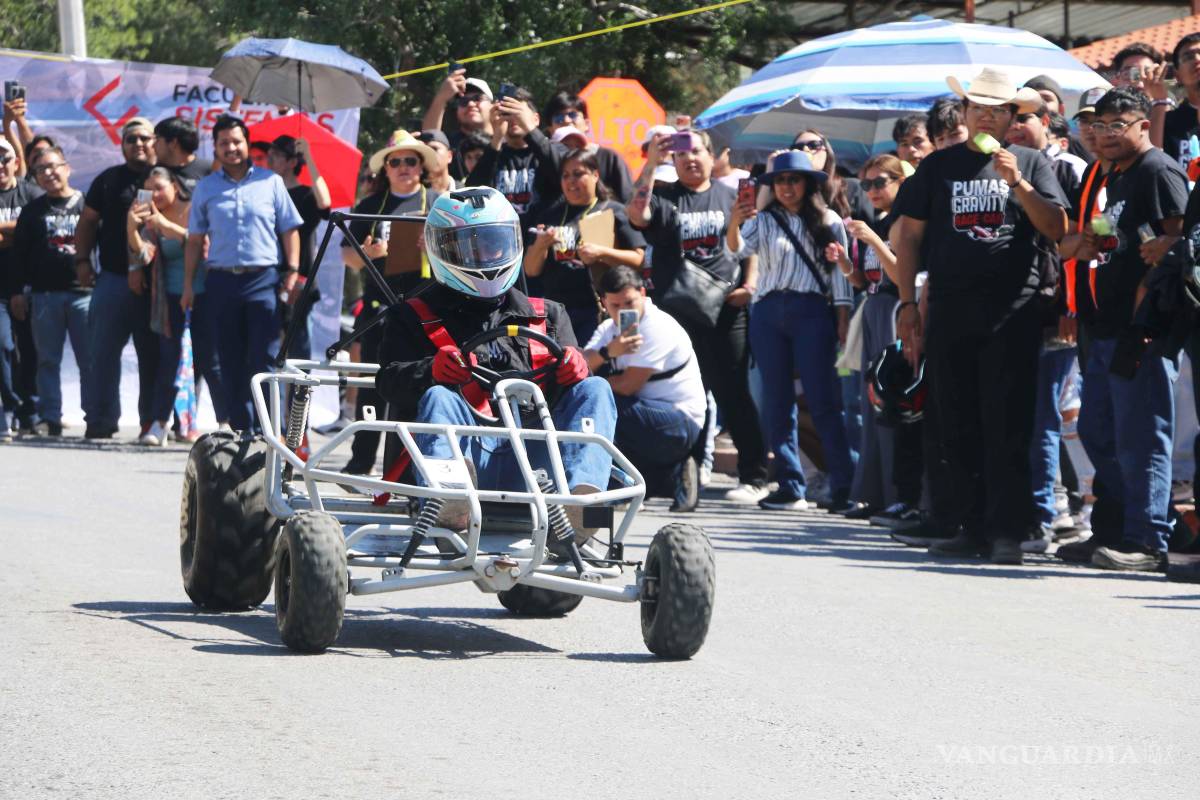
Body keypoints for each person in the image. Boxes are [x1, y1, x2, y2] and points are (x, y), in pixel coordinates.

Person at [375, 187, 615, 551]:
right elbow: (387, 383)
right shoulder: (411, 315)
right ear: (442, 249)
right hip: (465, 454)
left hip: (540, 467)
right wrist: (430, 370)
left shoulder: (548, 315)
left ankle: (583, 505)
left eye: (493, 244)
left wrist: (576, 368)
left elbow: (580, 397)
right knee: (439, 396)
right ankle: (450, 503)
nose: (484, 256)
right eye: (470, 247)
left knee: (596, 388)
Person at [892, 68, 1068, 566]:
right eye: (979, 108)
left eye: (998, 110)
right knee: (956, 421)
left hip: (1012, 313)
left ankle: (1008, 531)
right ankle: (968, 527)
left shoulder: (1031, 161)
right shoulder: (938, 166)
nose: (987, 117)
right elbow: (910, 238)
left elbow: (1057, 228)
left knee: (1009, 422)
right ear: (966, 113)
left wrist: (1019, 184)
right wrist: (908, 303)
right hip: (950, 310)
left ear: (1013, 117)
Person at [1060, 89, 1188, 573]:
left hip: (1143, 326)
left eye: (1119, 124)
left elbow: (1183, 235)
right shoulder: (1110, 174)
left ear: (1142, 126)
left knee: (1142, 436)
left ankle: (1147, 540)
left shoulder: (1157, 170)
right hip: (1104, 323)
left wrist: (1167, 250)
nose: (1108, 134)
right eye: (1101, 125)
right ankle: (1113, 529)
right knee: (1098, 431)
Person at [628, 128, 770, 505]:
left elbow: (750, 244)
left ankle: (754, 475)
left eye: (697, 152)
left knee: (733, 392)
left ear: (712, 156)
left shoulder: (730, 195)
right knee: (685, 394)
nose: (690, 159)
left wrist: (750, 283)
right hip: (678, 313)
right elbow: (637, 215)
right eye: (681, 154)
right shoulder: (664, 196)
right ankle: (684, 477)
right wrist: (650, 165)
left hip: (726, 309)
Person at [727, 150, 855, 511]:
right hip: (768, 310)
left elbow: (840, 275)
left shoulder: (829, 219)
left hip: (811, 309)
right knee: (777, 402)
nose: (786, 187)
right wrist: (735, 221)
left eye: (793, 180)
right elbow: (736, 250)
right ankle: (790, 484)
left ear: (808, 183)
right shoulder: (764, 220)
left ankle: (843, 485)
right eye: (780, 181)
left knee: (823, 400)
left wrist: (843, 316)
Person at [185, 114, 303, 432]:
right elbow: (194, 241)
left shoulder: (271, 182)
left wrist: (292, 270)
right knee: (229, 357)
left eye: (236, 141)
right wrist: (188, 285)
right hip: (221, 281)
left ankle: (269, 432)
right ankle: (241, 431)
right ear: (215, 147)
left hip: (263, 280)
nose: (231, 148)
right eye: (224, 143)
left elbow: (290, 229)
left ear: (247, 144)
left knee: (264, 357)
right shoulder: (206, 188)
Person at [339, 129, 442, 475]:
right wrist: (367, 254)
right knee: (371, 385)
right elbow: (347, 257)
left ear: (421, 166)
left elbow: (458, 255)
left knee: (416, 387)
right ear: (385, 168)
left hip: (424, 310)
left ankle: (405, 469)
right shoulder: (370, 206)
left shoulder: (438, 203)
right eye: (395, 162)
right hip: (378, 310)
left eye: (410, 161)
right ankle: (361, 462)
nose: (403, 167)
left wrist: (434, 249)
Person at [828, 154, 920, 522]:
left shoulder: (906, 222)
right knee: (872, 405)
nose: (872, 191)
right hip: (874, 310)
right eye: (866, 184)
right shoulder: (877, 223)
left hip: (897, 312)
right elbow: (865, 281)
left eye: (880, 182)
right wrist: (844, 264)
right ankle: (874, 493)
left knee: (894, 404)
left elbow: (902, 276)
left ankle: (902, 495)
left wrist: (873, 241)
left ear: (901, 182)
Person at [584, 266, 706, 511]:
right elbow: (582, 363)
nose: (624, 311)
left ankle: (620, 490)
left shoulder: (657, 326)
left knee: (602, 405)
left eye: (629, 302)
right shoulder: (609, 329)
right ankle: (676, 475)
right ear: (604, 302)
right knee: (596, 401)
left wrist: (597, 377)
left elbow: (628, 386)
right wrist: (608, 352)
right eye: (615, 305)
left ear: (642, 293)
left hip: (679, 422)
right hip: (646, 420)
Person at [128, 167, 226, 445]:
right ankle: (160, 424)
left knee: (210, 360)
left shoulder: (197, 208)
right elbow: (144, 255)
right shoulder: (152, 218)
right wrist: (130, 227)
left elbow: (204, 245)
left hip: (204, 294)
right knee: (168, 359)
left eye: (159, 187)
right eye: (149, 190)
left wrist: (167, 226)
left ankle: (227, 423)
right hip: (169, 297)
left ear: (175, 186)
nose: (155, 195)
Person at [72, 116, 157, 439]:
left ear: (155, 142)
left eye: (144, 138)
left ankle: (153, 422)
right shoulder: (108, 180)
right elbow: (87, 222)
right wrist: (82, 260)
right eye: (131, 139)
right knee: (102, 353)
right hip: (113, 279)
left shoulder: (165, 177)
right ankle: (101, 419)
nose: (138, 144)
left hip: (157, 284)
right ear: (122, 146)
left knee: (154, 355)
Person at [10, 147, 93, 436]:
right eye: (40, 170)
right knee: (47, 360)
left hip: (84, 294)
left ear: (67, 168)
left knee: (90, 360)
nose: (48, 173)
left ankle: (95, 416)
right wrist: (18, 291)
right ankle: (49, 417)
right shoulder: (32, 211)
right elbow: (19, 255)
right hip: (44, 295)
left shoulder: (87, 204)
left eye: (53, 166)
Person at [524, 148, 646, 344]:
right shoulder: (550, 214)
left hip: (598, 310)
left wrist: (601, 253)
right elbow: (530, 270)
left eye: (578, 174)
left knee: (595, 360)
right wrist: (540, 245)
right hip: (557, 311)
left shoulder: (613, 210)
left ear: (595, 175)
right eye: (565, 176)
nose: (571, 181)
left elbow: (639, 259)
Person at [266, 134, 332, 360]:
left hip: (300, 278)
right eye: (269, 154)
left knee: (298, 344)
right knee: (269, 344)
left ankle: (300, 384)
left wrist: (309, 157)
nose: (270, 159)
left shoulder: (306, 194)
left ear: (292, 162)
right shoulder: (266, 194)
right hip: (267, 276)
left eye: (276, 155)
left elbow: (325, 204)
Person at [466, 86, 560, 222]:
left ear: (536, 119)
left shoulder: (551, 150)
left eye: (518, 112)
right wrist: (497, 137)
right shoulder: (494, 154)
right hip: (502, 232)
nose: (513, 118)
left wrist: (529, 129)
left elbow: (560, 172)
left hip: (540, 231)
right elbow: (472, 193)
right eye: (507, 112)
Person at [0, 136, 40, 438]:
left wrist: (12, 231)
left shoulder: (31, 193)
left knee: (32, 350)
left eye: (4, 159)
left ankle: (32, 412)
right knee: (4, 345)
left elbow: (38, 228)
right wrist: (18, 231)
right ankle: (11, 407)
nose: (0, 165)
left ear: (16, 162)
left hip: (30, 284)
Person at [542, 91, 634, 202]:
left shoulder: (609, 158)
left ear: (586, 124)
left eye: (573, 115)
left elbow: (628, 201)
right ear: (550, 130)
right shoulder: (544, 162)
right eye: (559, 118)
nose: (566, 121)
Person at [422, 69, 494, 178]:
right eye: (463, 101)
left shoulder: (506, 141)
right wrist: (441, 98)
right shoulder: (448, 144)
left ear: (493, 105)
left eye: (477, 98)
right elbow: (430, 137)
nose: (470, 104)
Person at [1149, 35, 1200, 170]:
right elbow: (1153, 167)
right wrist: (1159, 100)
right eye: (1188, 57)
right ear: (1178, 76)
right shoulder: (1166, 122)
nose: (1197, 59)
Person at [153, 116, 210, 199]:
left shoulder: (211, 171)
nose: (153, 145)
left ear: (173, 143)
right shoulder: (152, 173)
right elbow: (142, 202)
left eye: (157, 139)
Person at [417, 129, 457, 193]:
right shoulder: (412, 195)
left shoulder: (465, 192)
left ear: (449, 156)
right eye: (423, 152)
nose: (429, 155)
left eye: (434, 149)